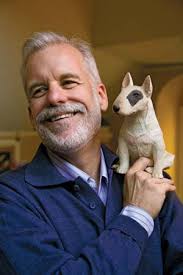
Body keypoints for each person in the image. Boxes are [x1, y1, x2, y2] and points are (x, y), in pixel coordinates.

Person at [0, 32, 182, 275]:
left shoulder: (151, 179)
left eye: (68, 82)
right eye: (39, 90)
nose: (55, 97)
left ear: (101, 97)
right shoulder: (9, 198)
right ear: (32, 116)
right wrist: (137, 215)